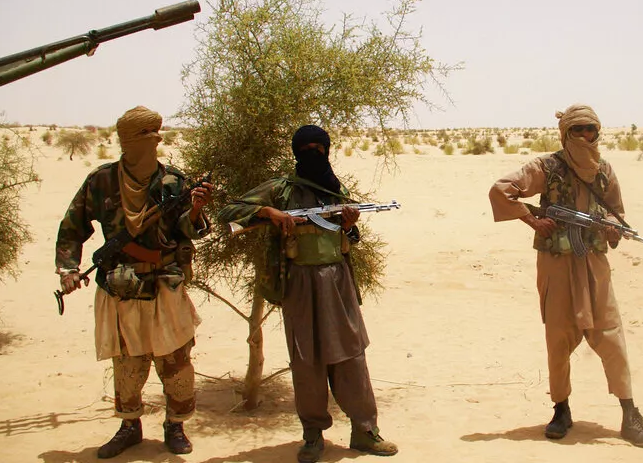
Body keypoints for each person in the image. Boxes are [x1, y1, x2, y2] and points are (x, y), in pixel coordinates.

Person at [217, 125, 397, 463]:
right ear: (296, 151)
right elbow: (228, 212)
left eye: (319, 147)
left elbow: (350, 238)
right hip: (299, 282)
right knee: (306, 360)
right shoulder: (280, 189)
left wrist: (349, 225)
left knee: (351, 356)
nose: (314, 152)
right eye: (307, 147)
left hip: (338, 281)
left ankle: (365, 431)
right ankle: (313, 435)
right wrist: (267, 212)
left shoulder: (335, 188)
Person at [488, 104, 643, 448]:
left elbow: (616, 212)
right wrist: (532, 220)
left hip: (594, 264)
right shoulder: (546, 167)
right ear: (564, 134)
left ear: (598, 133)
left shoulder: (605, 171)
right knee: (559, 338)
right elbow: (501, 189)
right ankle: (561, 409)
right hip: (556, 263)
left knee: (610, 334)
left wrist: (613, 229)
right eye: (577, 130)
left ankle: (630, 414)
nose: (584, 136)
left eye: (590, 130)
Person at [55, 106, 213, 459]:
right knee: (127, 362)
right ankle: (129, 426)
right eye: (145, 136)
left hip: (165, 286)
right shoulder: (101, 181)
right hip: (121, 288)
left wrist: (197, 210)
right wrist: (68, 269)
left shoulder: (174, 181)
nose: (152, 143)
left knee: (175, 361)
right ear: (127, 141)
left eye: (155, 136)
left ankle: (176, 425)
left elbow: (191, 231)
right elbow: (72, 226)